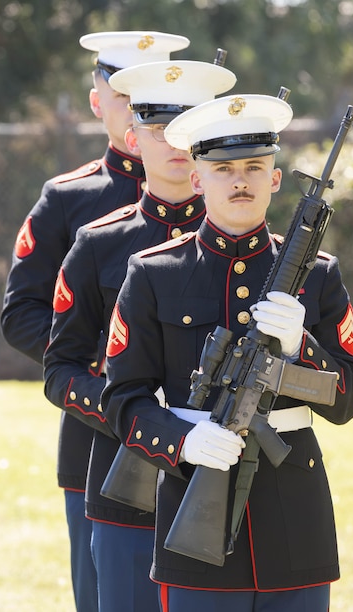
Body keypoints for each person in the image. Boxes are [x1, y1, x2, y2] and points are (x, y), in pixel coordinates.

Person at [100, 94, 353, 610]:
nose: (239, 180)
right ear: (197, 179)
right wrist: (182, 441)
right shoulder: (154, 272)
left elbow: (348, 399)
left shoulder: (319, 275)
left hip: (294, 519)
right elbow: (123, 400)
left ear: (275, 179)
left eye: (253, 166)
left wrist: (301, 346)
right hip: (192, 507)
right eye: (222, 168)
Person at [0, 30, 189, 611]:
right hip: (98, 431)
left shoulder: (220, 202)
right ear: (99, 101)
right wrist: (109, 373)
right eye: (124, 93)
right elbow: (23, 314)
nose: (136, 108)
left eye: (152, 94)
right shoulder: (67, 200)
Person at [42, 58, 237, 612]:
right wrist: (139, 417)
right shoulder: (99, 243)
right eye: (159, 129)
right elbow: (60, 371)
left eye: (189, 127)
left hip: (223, 470)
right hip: (125, 467)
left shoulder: (250, 250)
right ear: (133, 138)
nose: (176, 142)